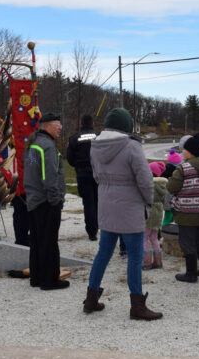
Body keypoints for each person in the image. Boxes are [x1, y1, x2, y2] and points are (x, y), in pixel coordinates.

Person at [83, 108, 162, 320]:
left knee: (103, 254)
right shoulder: (132, 146)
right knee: (135, 258)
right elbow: (145, 180)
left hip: (107, 205)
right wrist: (149, 200)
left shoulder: (95, 145)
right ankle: (137, 305)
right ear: (126, 126)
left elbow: (96, 175)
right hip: (130, 208)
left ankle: (91, 298)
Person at [23, 112, 69, 291]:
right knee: (49, 241)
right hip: (46, 201)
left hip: (34, 200)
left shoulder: (32, 145)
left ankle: (37, 276)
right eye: (57, 125)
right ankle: (50, 280)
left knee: (36, 240)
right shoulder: (47, 146)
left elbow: (33, 170)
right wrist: (56, 199)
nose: (60, 128)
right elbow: (48, 176)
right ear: (47, 126)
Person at [169, 133, 199, 283]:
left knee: (187, 243)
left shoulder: (184, 168)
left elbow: (171, 187)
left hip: (187, 213)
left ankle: (191, 274)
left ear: (190, 151)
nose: (182, 152)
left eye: (184, 150)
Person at [66, 114, 99, 241]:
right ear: (92, 124)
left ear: (81, 124)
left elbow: (70, 159)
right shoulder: (99, 137)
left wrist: (79, 165)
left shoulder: (74, 139)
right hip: (97, 173)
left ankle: (92, 231)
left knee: (88, 202)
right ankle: (99, 224)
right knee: (98, 200)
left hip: (82, 173)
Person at [143, 162, 168, 270]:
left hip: (148, 212)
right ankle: (158, 262)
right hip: (158, 212)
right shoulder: (163, 185)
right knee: (153, 237)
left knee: (143, 238)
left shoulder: (148, 184)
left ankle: (147, 262)